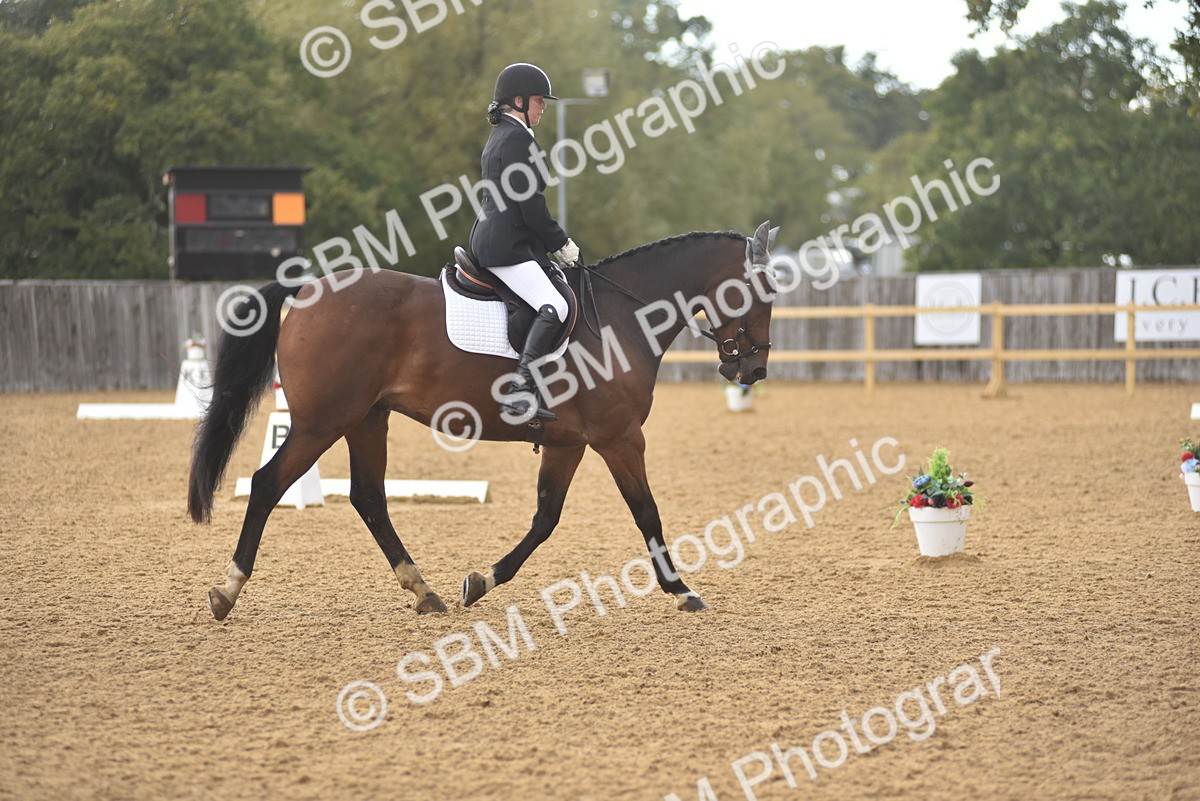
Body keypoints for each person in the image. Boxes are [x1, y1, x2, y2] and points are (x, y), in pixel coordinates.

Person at [469, 62, 579, 422]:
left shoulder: (504, 134)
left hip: (506, 241)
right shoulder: (516, 138)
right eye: (538, 100)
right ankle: (519, 392)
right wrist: (560, 243)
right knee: (555, 306)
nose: (543, 106)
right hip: (507, 246)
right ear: (517, 101)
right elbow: (530, 204)